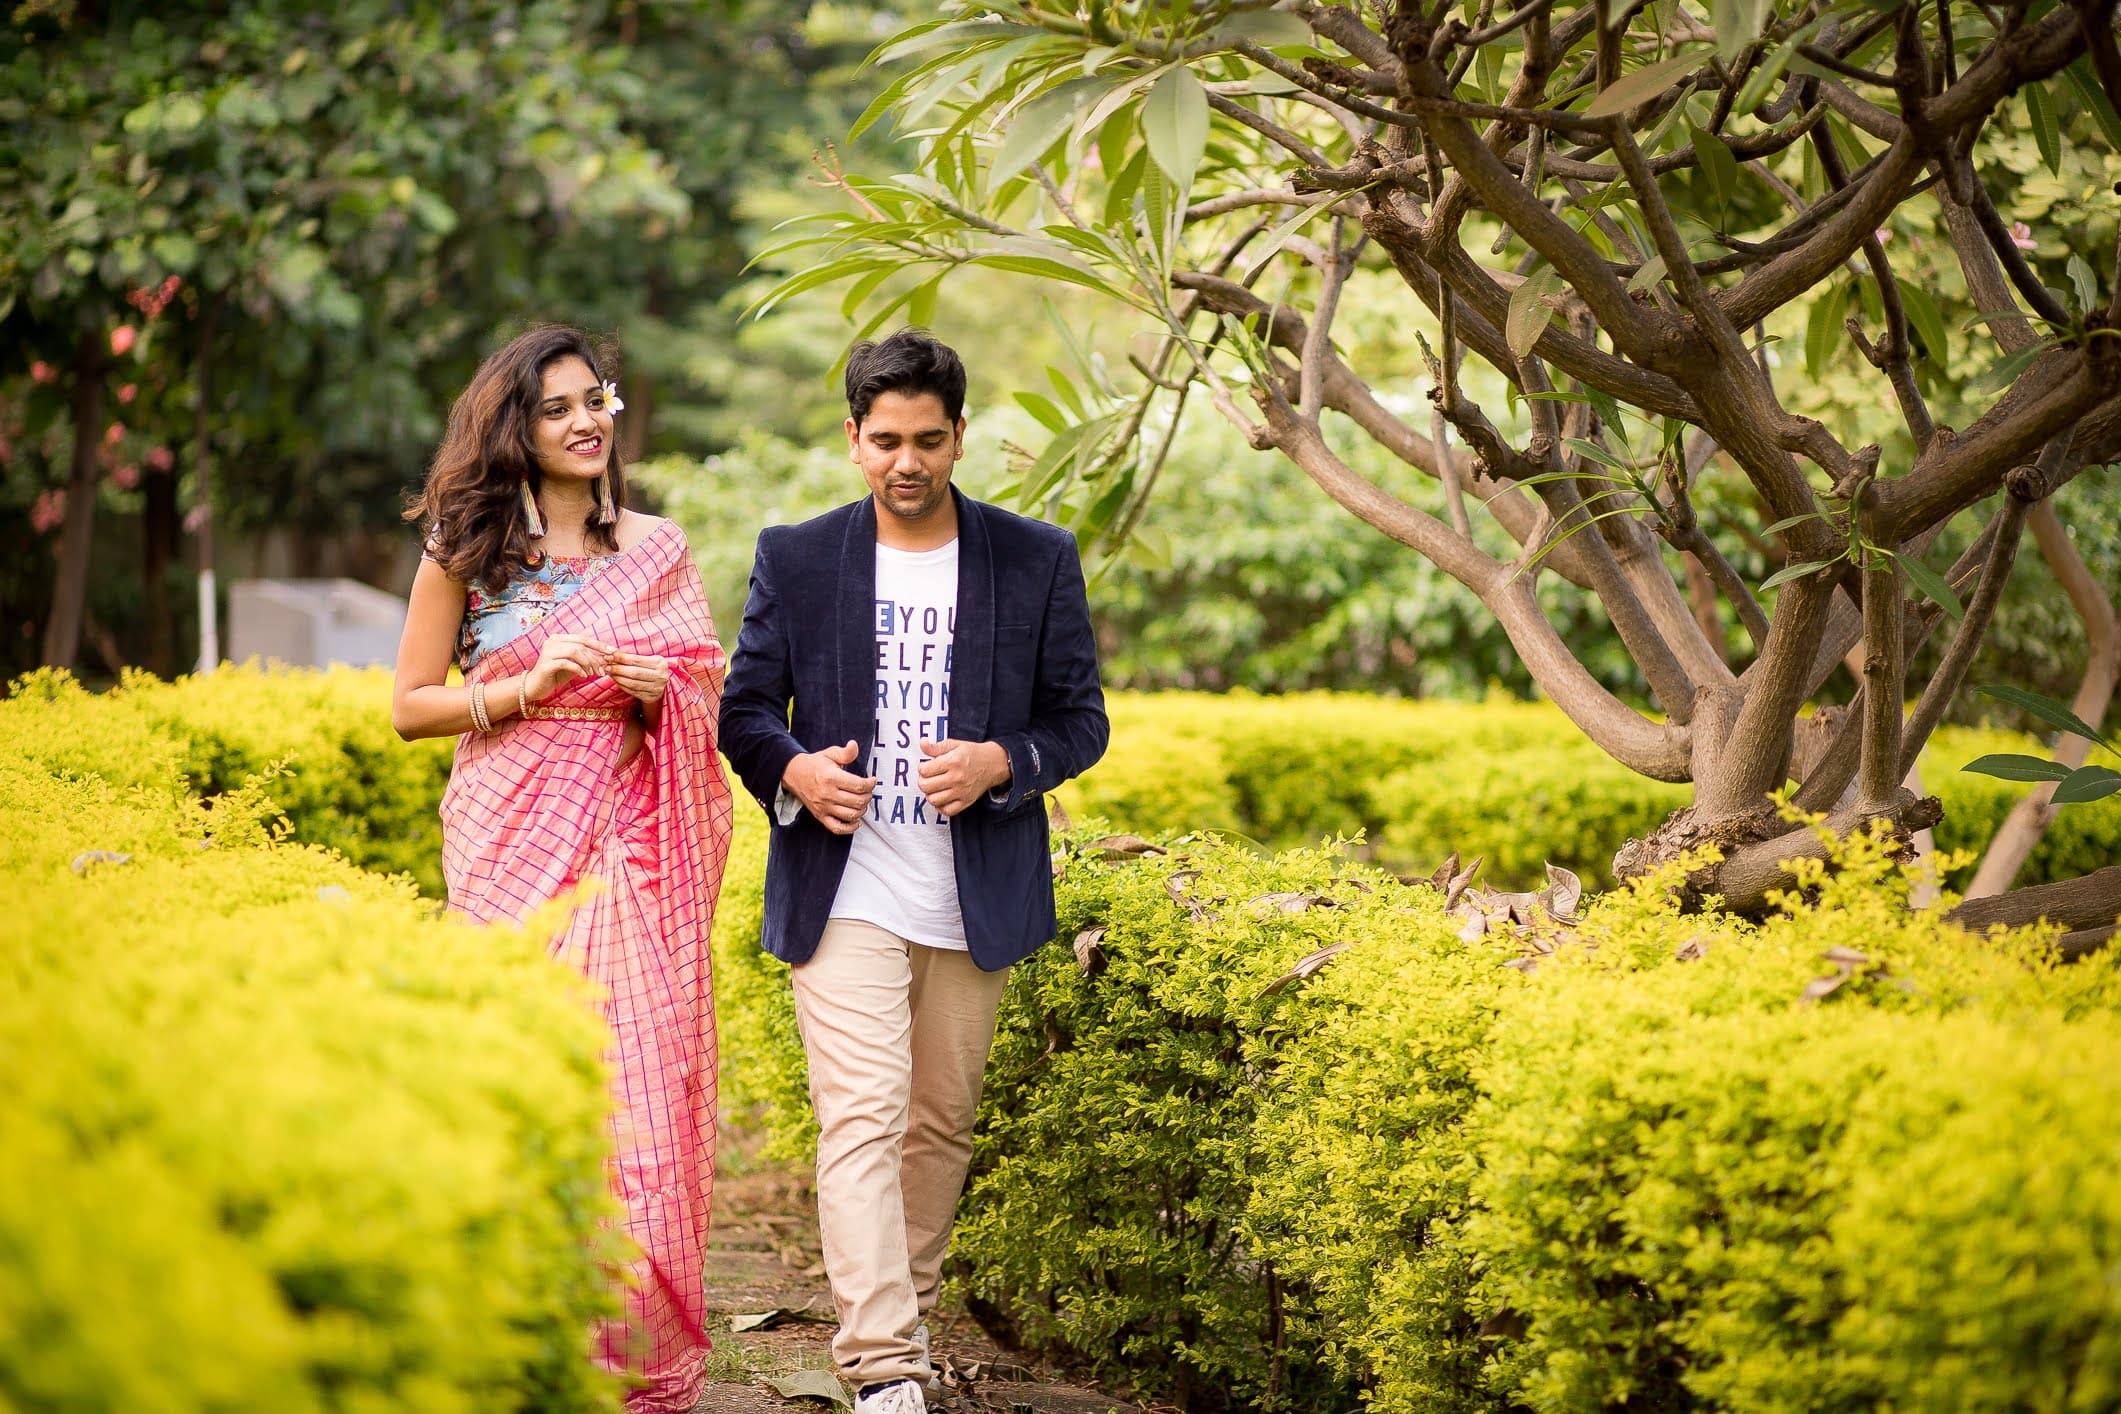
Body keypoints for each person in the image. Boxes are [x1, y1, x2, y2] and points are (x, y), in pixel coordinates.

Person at [719, 328, 1109, 1414]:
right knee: (862, 1115)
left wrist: (1003, 762)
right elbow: (744, 711)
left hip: (971, 890)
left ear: (959, 438)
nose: (907, 461)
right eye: (885, 440)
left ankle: (907, 1317)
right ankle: (884, 1364)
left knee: (939, 1122)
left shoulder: (1035, 557)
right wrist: (797, 769)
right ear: (854, 439)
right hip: (843, 885)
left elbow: (1080, 721)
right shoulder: (798, 557)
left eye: (927, 441)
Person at [391, 325, 732, 1412]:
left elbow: (705, 685)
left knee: (637, 1075)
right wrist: (527, 687)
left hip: (627, 839)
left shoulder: (657, 548)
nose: (586, 422)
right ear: (516, 428)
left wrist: (660, 690)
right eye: (557, 409)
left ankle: (623, 1345)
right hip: (510, 833)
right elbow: (411, 706)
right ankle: (514, 1323)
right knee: (518, 1068)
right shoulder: (466, 548)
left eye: (596, 400)